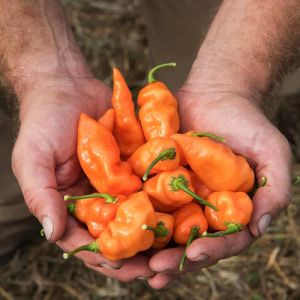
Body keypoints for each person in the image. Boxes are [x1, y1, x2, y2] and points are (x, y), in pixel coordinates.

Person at [0, 0, 298, 289]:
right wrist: (42, 76)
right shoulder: (158, 176)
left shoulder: (164, 174)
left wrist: (235, 80)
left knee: (202, 43)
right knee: (37, 172)